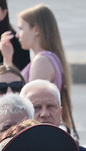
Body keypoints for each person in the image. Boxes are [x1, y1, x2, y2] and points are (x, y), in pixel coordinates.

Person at [8, 3, 75, 136]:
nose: (17, 35)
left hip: (39, 131)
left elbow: (33, 102)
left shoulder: (41, 61)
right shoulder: (50, 58)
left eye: (21, 28)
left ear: (36, 30)